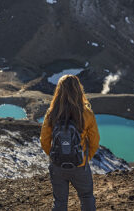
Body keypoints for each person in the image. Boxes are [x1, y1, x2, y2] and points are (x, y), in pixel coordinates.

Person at [40, 74, 100, 211]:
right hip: (80, 165)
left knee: (60, 202)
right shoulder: (86, 113)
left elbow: (44, 140)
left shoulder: (51, 113)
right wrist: (85, 158)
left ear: (59, 91)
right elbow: (95, 141)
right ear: (78, 90)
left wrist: (55, 156)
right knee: (86, 197)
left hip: (57, 166)